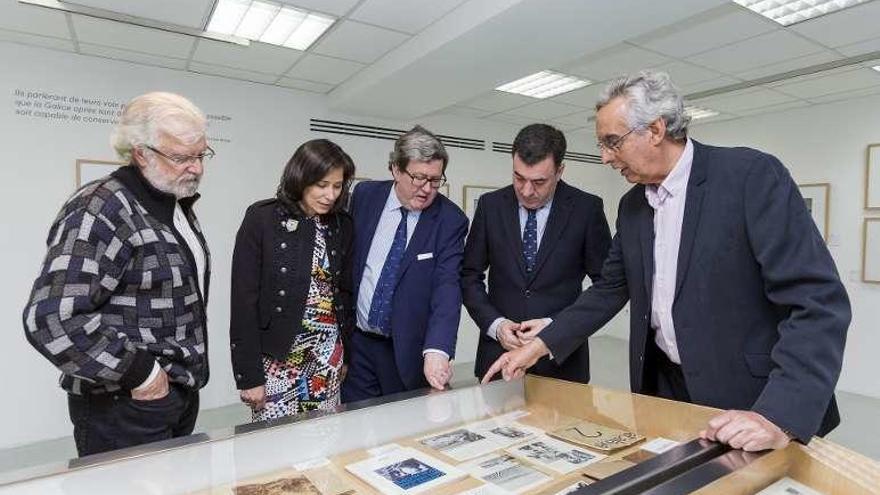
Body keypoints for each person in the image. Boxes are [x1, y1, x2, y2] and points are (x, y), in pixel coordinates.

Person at [483, 70, 850, 452]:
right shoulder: (632, 205)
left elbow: (818, 301)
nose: (606, 157)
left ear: (655, 131)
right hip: (665, 391)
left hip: (753, 398)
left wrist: (778, 414)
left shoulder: (749, 178)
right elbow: (609, 289)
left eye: (612, 142)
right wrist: (541, 344)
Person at [23, 92, 213, 456]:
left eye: (201, 154)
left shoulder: (175, 204)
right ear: (141, 153)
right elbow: (51, 318)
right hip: (125, 406)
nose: (197, 168)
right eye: (181, 157)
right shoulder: (100, 207)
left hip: (172, 396)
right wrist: (143, 374)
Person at [463, 123, 610, 383]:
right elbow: (468, 276)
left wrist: (555, 325)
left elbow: (607, 285)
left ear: (560, 171)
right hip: (498, 357)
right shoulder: (490, 206)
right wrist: (496, 326)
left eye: (539, 181)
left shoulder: (587, 210)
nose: (527, 191)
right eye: (519, 178)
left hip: (562, 362)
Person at [230, 139, 355, 420]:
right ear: (301, 178)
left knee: (325, 441)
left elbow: (345, 294)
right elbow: (243, 301)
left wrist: (345, 356)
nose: (330, 195)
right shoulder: (261, 218)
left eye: (337, 186)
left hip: (326, 357)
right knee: (274, 447)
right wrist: (249, 376)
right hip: (277, 359)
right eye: (322, 185)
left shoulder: (341, 225)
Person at [342, 125, 468, 401]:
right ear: (396, 170)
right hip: (358, 344)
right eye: (419, 178)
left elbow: (447, 288)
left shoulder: (450, 220)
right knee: (353, 428)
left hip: (406, 351)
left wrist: (438, 350)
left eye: (435, 180)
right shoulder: (365, 196)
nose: (427, 189)